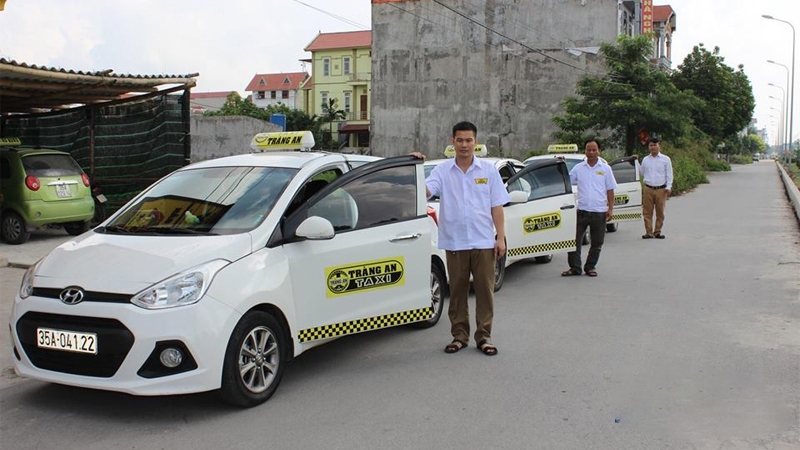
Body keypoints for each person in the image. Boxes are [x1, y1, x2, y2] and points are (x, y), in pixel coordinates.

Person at [411, 121, 509, 356]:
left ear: (475, 142)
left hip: (483, 241)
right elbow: (425, 191)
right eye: (460, 140)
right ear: (452, 141)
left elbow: (497, 207)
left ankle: (484, 337)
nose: (464, 144)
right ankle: (459, 336)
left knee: (485, 292)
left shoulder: (488, 171)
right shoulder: (442, 171)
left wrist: (500, 238)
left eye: (468, 140)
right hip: (455, 242)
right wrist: (414, 168)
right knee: (457, 292)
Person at [561, 139, 617, 277]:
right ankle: (575, 267)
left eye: (594, 150)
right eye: (588, 149)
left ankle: (590, 267)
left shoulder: (605, 169)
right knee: (574, 241)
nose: (591, 152)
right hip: (582, 211)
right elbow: (566, 181)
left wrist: (610, 209)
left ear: (599, 151)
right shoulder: (578, 168)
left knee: (597, 242)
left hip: (599, 211)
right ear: (585, 151)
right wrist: (560, 166)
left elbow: (610, 189)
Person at [639, 137, 673, 239]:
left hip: (661, 189)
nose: (653, 147)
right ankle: (649, 232)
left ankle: (657, 232)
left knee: (660, 212)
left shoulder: (665, 159)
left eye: (655, 145)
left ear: (659, 146)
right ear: (648, 147)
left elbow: (669, 174)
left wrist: (669, 187)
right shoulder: (645, 159)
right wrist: (636, 162)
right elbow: (642, 172)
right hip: (648, 188)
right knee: (647, 212)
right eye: (651, 145)